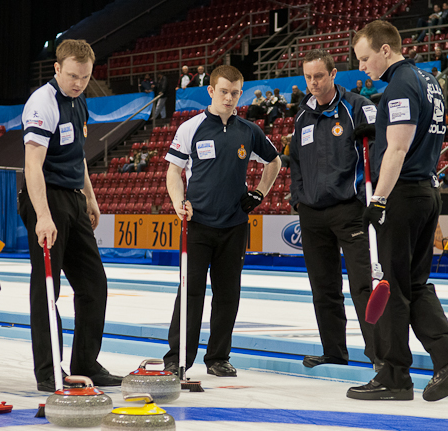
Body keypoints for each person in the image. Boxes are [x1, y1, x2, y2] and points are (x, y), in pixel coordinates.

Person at [349, 20, 448, 401]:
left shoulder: (399, 84)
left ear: (386, 50)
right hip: (427, 191)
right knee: (415, 284)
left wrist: (378, 199)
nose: (362, 67)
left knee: (391, 287)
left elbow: (399, 148)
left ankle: (393, 376)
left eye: (366, 58)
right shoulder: (429, 80)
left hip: (401, 195)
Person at [162, 65, 281, 378]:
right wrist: (178, 203)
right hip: (197, 224)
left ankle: (218, 357)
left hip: (234, 225)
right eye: (224, 91)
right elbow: (173, 171)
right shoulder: (190, 128)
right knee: (190, 293)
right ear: (211, 91)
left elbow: (275, 160)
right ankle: (177, 358)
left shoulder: (249, 130)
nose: (230, 98)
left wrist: (259, 193)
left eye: (236, 93)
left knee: (228, 295)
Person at [19, 39, 123, 391]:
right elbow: (32, 165)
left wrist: (89, 197)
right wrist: (42, 216)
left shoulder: (79, 104)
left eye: (85, 77)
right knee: (47, 287)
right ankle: (49, 370)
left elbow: (78, 155)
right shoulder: (42, 103)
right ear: (57, 69)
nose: (78, 83)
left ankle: (86, 363)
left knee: (94, 283)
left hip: (73, 197)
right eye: (73, 76)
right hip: (45, 198)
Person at [289, 49, 380, 370]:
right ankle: (334, 352)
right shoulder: (302, 116)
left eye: (319, 76)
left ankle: (380, 356)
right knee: (324, 288)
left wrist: (368, 197)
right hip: (312, 213)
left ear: (333, 74)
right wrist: (297, 198)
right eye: (308, 77)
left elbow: (381, 149)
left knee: (363, 285)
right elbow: (294, 162)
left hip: (350, 209)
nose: (313, 83)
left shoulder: (358, 106)